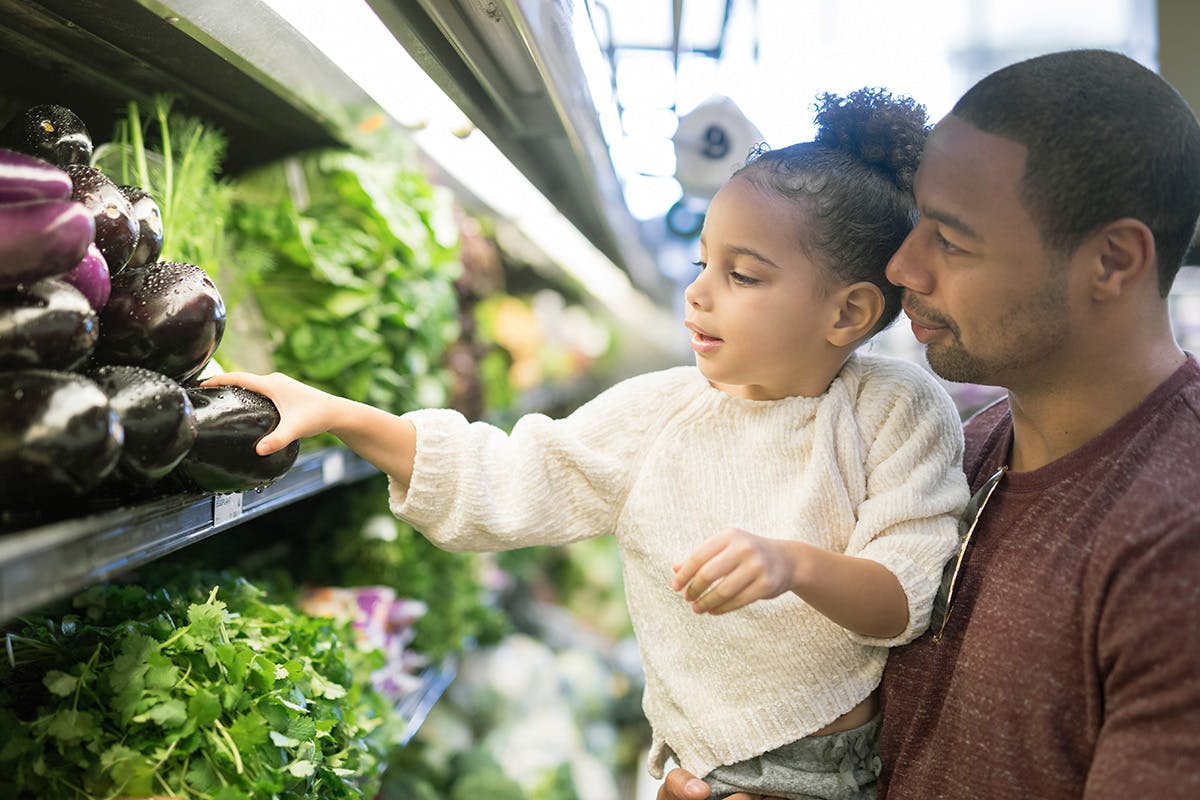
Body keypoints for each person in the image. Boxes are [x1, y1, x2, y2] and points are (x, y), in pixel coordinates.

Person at [204, 88, 969, 800]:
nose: (698, 291)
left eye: (741, 275)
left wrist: (790, 563)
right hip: (693, 766)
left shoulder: (895, 407)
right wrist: (342, 412)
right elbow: (499, 476)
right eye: (703, 261)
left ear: (849, 313)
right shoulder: (659, 413)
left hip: (825, 773)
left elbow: (906, 598)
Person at [657, 48, 1200, 800]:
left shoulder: (1177, 538)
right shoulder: (954, 447)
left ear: (1112, 260)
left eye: (949, 238)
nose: (903, 267)